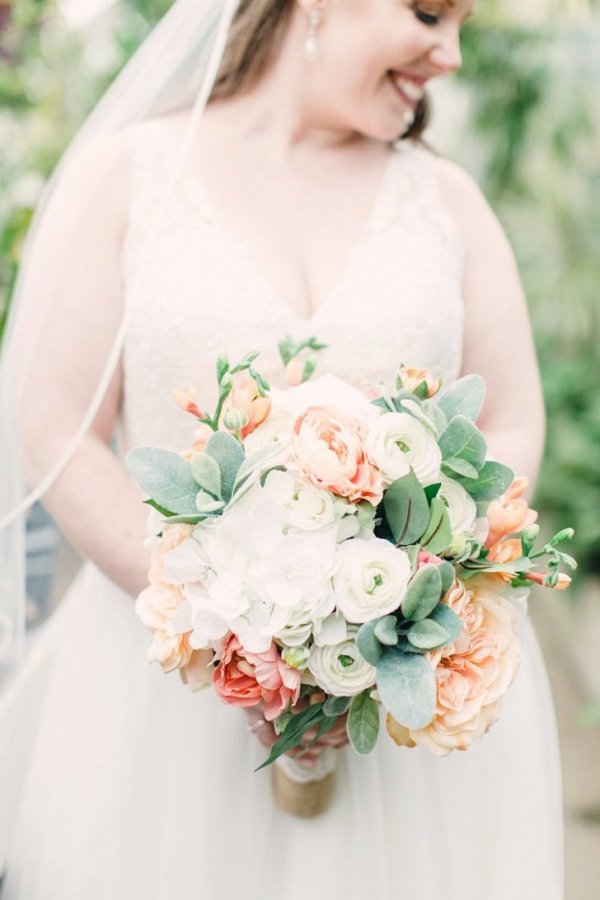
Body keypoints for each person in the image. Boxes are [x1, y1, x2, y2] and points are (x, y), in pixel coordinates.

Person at [1, 0, 563, 897]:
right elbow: (57, 426)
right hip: (161, 696)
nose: (450, 55)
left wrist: (400, 611)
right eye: (429, 14)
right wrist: (226, 634)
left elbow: (513, 420)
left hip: (401, 718)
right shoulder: (133, 174)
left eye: (462, 26)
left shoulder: (445, 199)